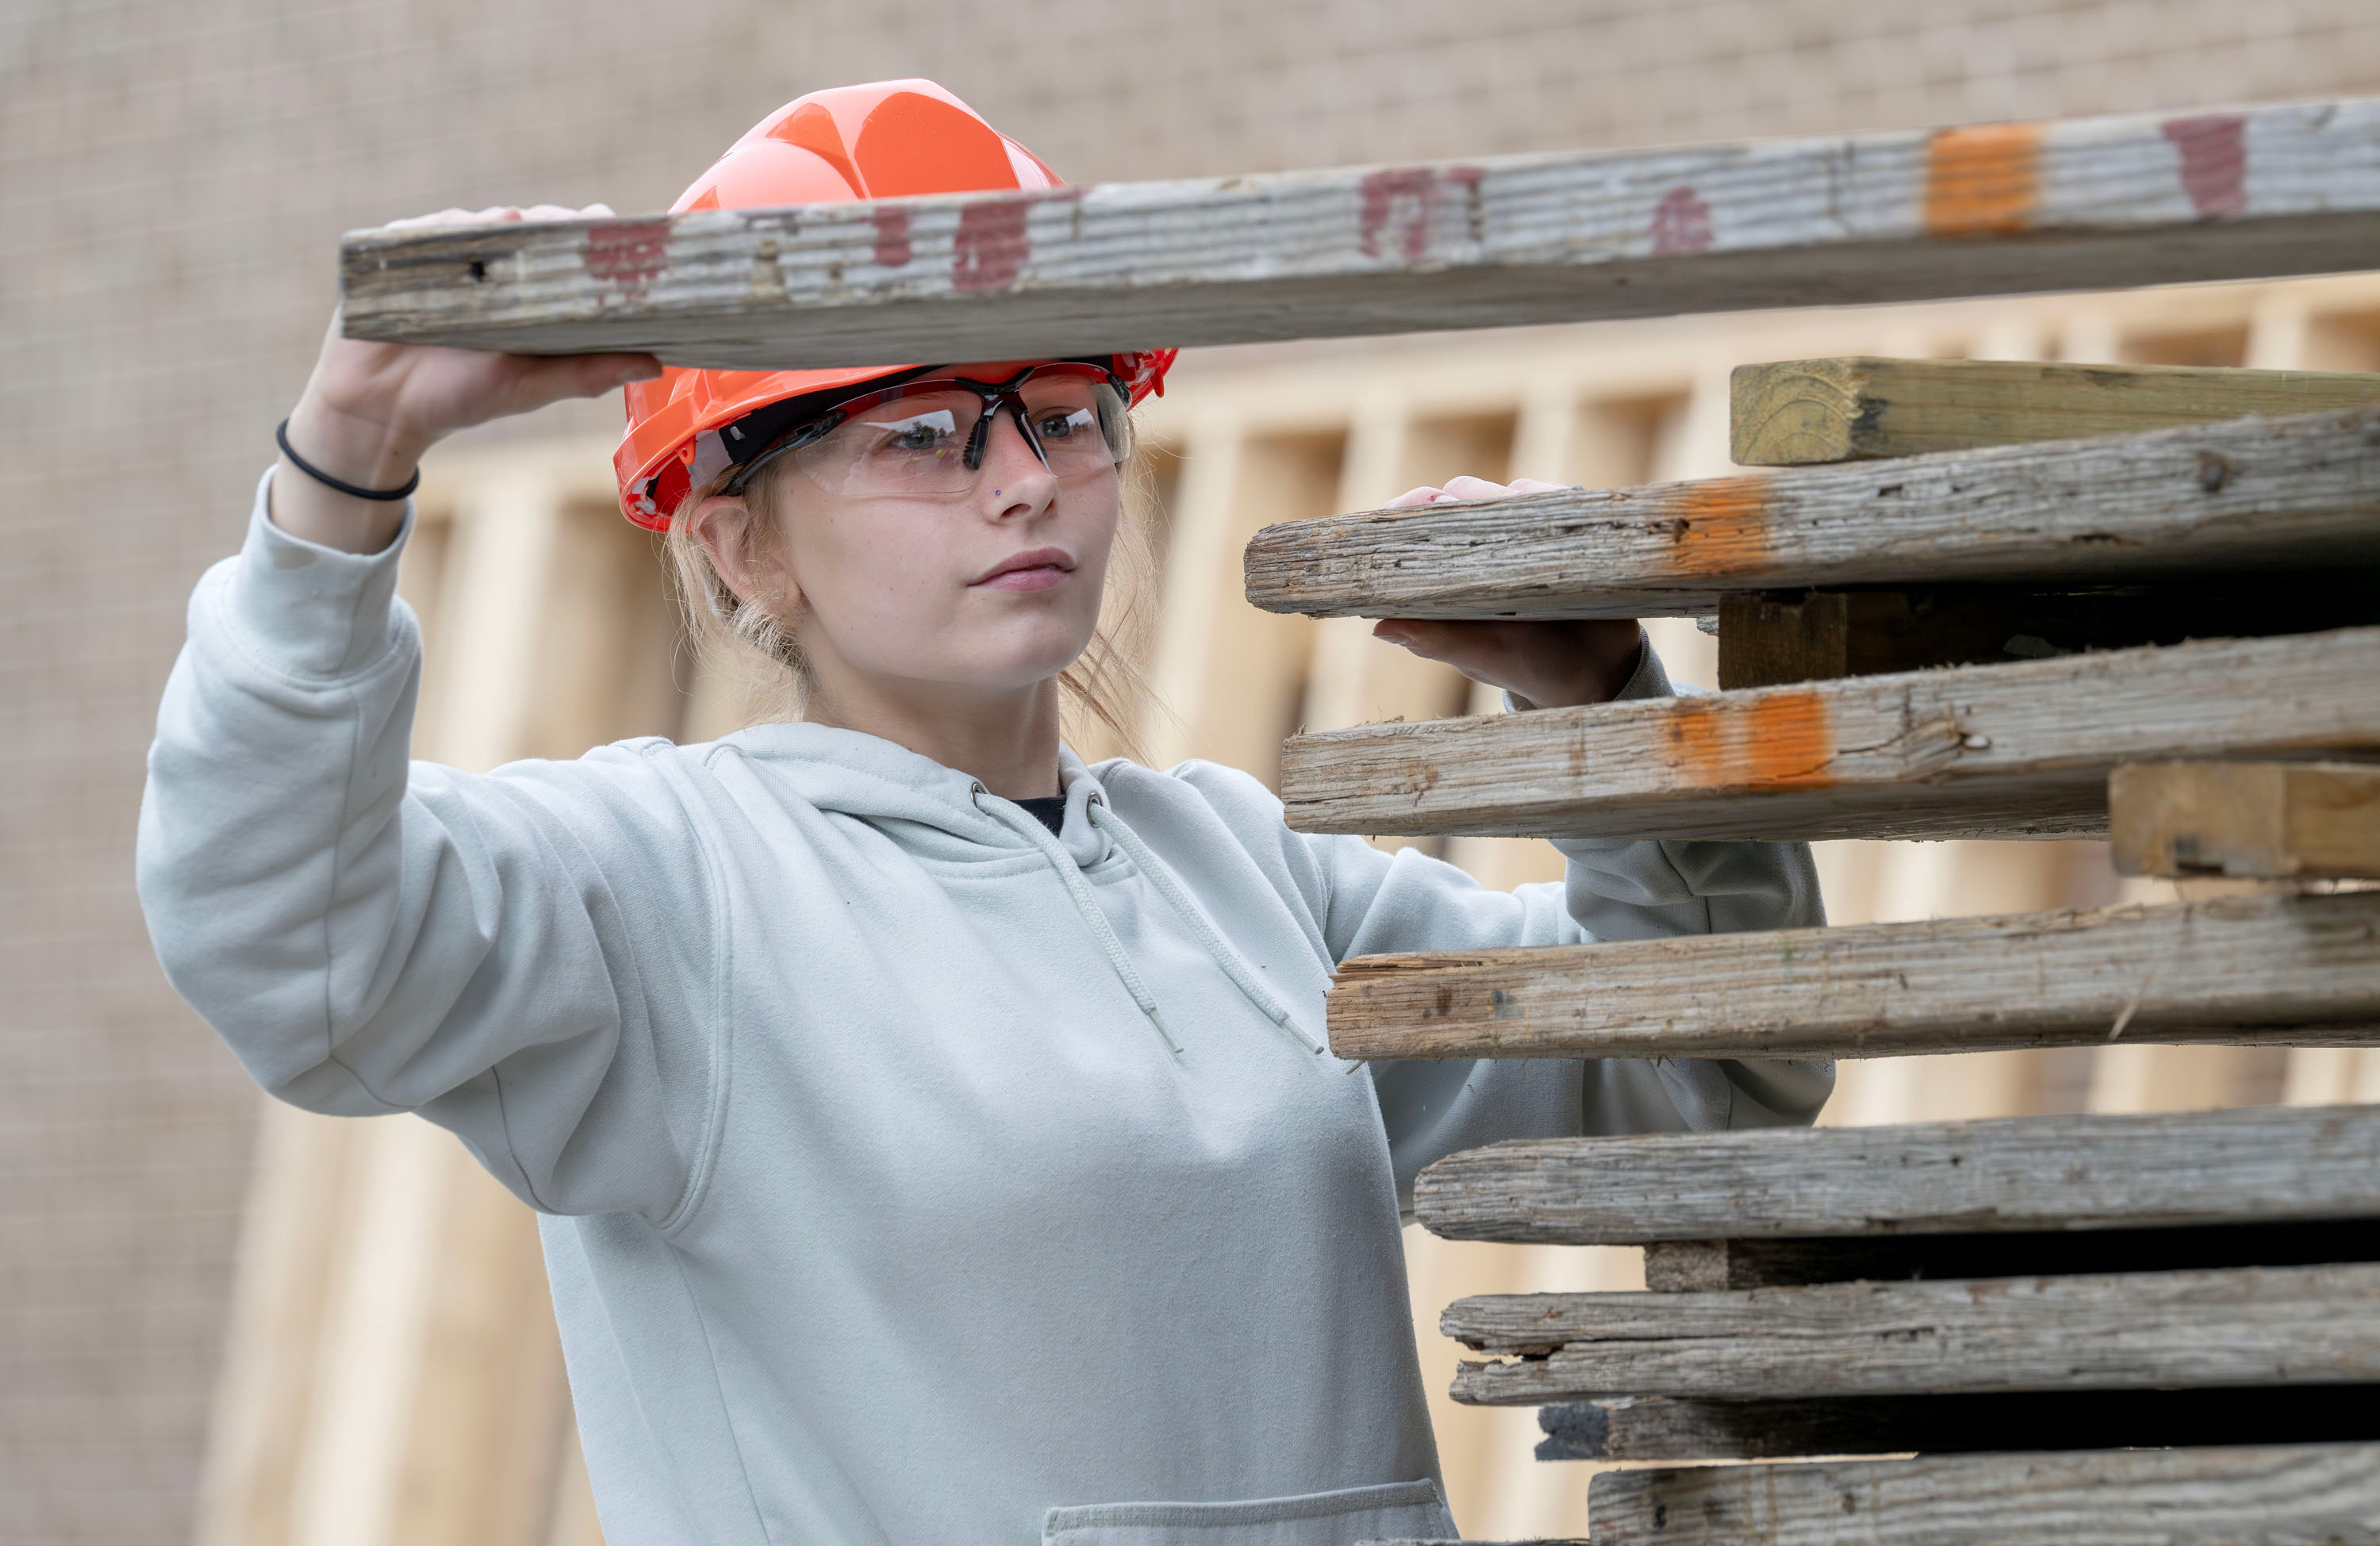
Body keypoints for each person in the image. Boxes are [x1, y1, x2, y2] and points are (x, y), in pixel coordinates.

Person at [139, 80, 1829, 1546]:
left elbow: (1708, 1079)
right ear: (740, 543)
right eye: (927, 433)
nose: (1024, 474)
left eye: (1067, 412)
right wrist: (346, 461)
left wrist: (1604, 694)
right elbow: (299, 951)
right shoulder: (665, 897)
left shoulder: (1253, 883)